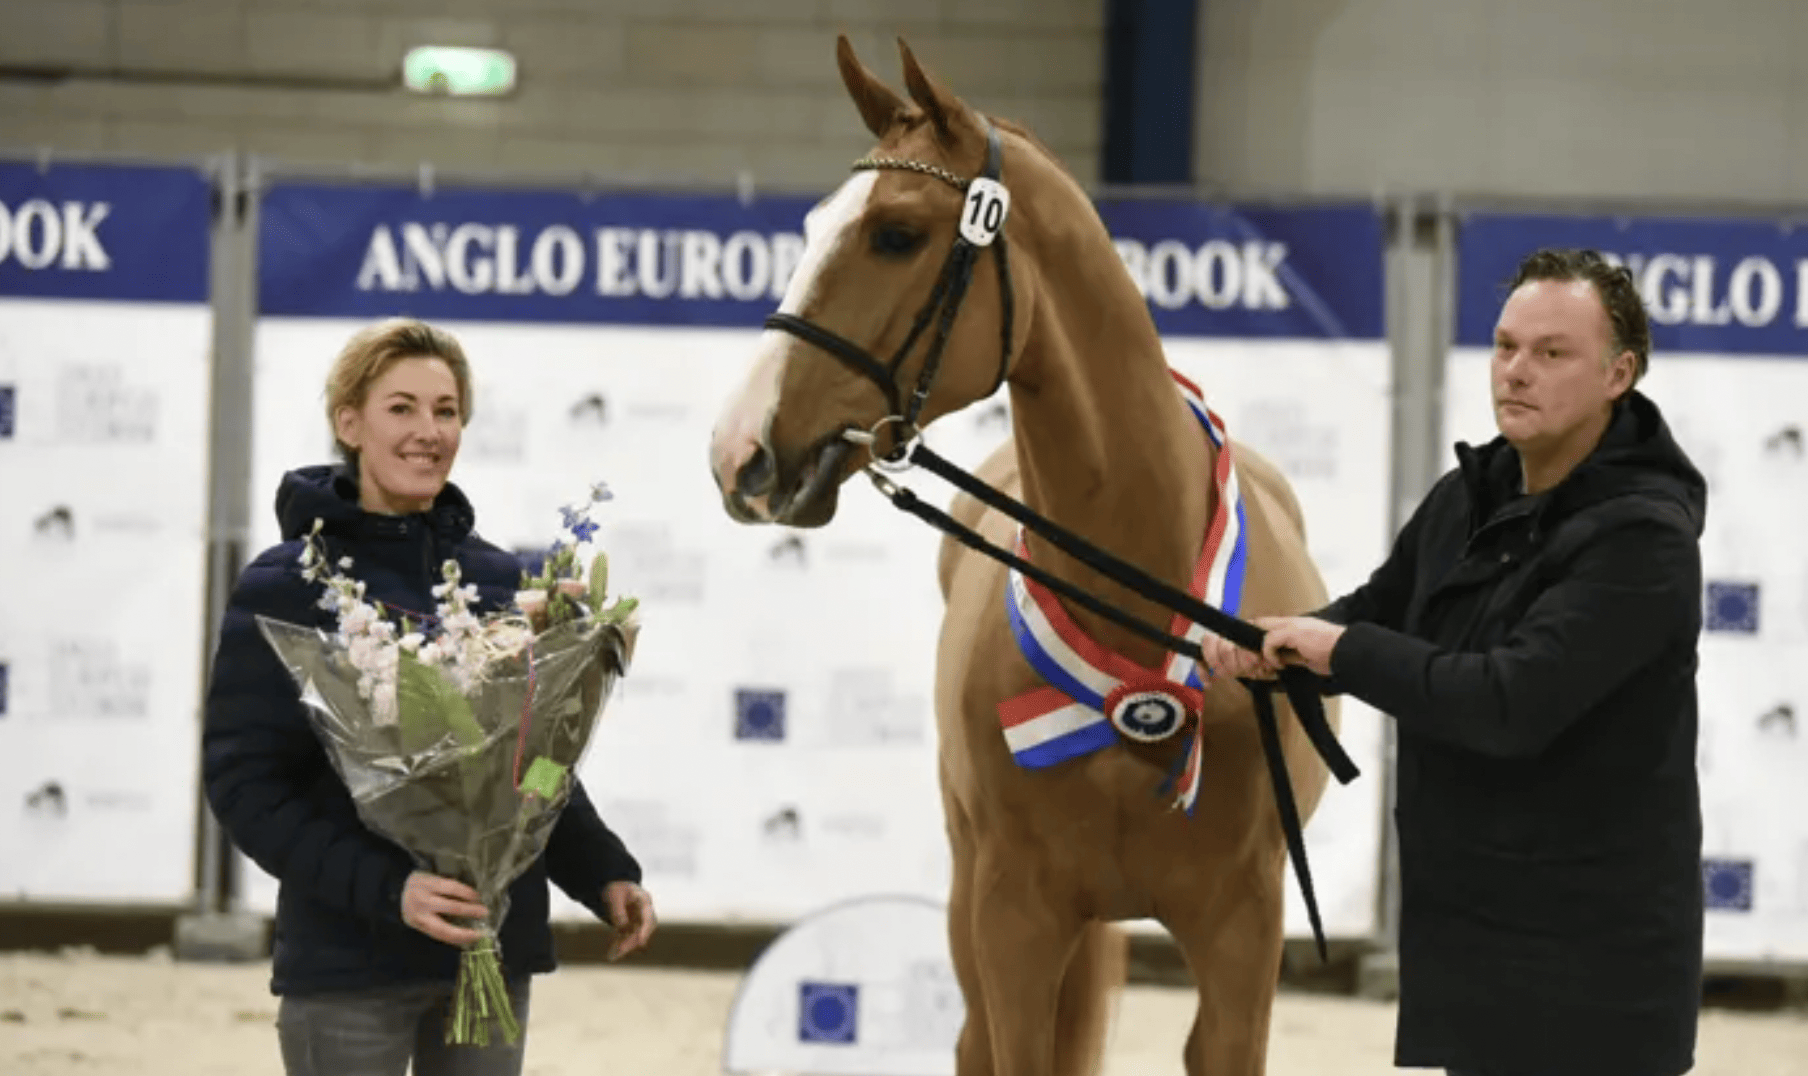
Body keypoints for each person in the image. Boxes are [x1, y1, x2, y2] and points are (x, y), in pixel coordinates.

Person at [1205, 249, 1706, 1076]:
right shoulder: (1470, 491)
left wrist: (1342, 650)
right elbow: (1381, 608)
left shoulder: (1644, 539)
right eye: (1505, 346)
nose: (1516, 371)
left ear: (1619, 374)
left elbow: (1508, 701)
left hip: (1595, 972)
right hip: (1477, 939)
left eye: (1552, 352)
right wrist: (1281, 643)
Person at [202, 318, 657, 1076]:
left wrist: (604, 870)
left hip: (491, 952)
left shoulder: (502, 583)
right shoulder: (286, 586)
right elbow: (244, 786)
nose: (429, 431)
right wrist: (392, 890)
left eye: (446, 411)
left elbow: (536, 767)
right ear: (350, 423)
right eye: (401, 408)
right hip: (349, 963)